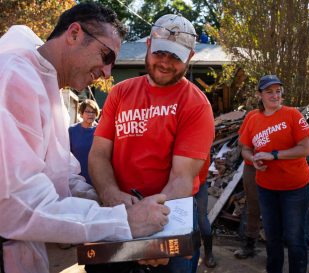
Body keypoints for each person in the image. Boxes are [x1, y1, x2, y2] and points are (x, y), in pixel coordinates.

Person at [0, 3, 170, 273]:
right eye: (106, 55)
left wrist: (106, 199)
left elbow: (59, 175)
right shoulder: (13, 77)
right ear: (75, 34)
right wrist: (122, 220)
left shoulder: (48, 87)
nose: (107, 72)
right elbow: (17, 202)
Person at [89, 14, 215, 273]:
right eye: (160, 52)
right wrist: (111, 194)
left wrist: (153, 235)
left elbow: (182, 178)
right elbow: (99, 154)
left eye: (176, 57)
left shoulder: (196, 104)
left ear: (190, 57)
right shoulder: (120, 93)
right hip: (119, 209)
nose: (166, 63)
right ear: (148, 44)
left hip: (170, 211)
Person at [239, 75, 309, 273]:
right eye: (269, 91)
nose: (275, 95)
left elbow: (305, 149)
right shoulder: (253, 118)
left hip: (295, 188)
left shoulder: (292, 115)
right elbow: (244, 148)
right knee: (272, 238)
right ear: (259, 94)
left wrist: (274, 155)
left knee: (295, 238)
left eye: (278, 91)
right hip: (266, 188)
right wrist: (253, 159)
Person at [234, 109, 261, 259]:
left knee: (277, 210)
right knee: (253, 207)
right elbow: (241, 141)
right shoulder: (252, 115)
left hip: (275, 167)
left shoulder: (284, 115)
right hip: (252, 166)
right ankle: (249, 245)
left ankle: (275, 252)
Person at [69, 99, 100, 185]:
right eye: (87, 111)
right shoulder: (72, 130)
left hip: (97, 176)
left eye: (93, 112)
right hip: (77, 177)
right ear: (81, 113)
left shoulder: (101, 131)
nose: (90, 114)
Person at [195, 155, 217, 268]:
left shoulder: (200, 142)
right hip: (176, 182)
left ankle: (208, 253)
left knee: (202, 219)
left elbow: (202, 168)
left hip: (199, 184)